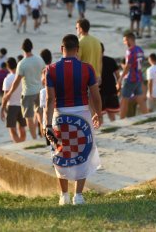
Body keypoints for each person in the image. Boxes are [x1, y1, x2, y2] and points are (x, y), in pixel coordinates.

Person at [45, 34, 102, 205]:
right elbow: (95, 95)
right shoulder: (87, 69)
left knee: (60, 152)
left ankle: (64, 195)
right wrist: (98, 113)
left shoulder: (51, 69)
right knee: (83, 152)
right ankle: (79, 195)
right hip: (82, 113)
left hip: (60, 115)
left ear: (61, 49)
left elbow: (49, 99)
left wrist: (46, 123)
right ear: (77, 49)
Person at [2, 39, 45, 139]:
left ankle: (34, 138)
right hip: (39, 90)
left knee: (29, 118)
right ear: (32, 47)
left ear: (22, 49)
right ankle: (44, 136)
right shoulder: (39, 60)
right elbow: (44, 73)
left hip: (28, 93)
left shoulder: (22, 64)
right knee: (41, 115)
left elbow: (16, 82)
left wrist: (9, 94)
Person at [117, 33, 148, 119]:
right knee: (140, 100)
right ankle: (147, 116)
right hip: (138, 77)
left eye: (125, 40)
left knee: (124, 100)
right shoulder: (140, 50)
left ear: (130, 40)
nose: (124, 43)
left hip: (130, 78)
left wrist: (120, 79)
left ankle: (121, 120)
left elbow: (127, 66)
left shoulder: (130, 51)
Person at [1, 57, 26, 143]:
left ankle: (18, 144)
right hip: (22, 104)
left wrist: (2, 108)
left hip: (11, 105)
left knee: (12, 128)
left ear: (7, 67)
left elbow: (6, 96)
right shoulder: (22, 77)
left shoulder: (7, 79)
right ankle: (22, 142)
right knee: (22, 126)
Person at [76, 19, 102, 83]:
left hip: (85, 77)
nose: (76, 30)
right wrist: (99, 75)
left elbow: (77, 61)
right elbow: (100, 60)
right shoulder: (97, 41)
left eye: (76, 28)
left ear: (80, 29)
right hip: (96, 77)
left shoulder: (79, 42)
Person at [99, 43, 120, 121]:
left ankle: (102, 130)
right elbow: (118, 76)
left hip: (100, 91)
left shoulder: (94, 62)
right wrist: (119, 88)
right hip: (111, 90)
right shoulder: (111, 60)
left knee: (99, 114)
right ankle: (114, 127)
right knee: (112, 114)